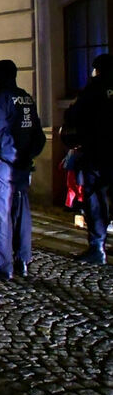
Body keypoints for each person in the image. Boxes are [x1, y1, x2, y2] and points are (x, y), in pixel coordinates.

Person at [0, 59, 47, 280]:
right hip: (23, 165)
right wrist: (26, 157)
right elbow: (38, 134)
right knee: (21, 214)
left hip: (5, 165)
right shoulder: (25, 96)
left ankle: (2, 266)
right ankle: (22, 261)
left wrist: (9, 157)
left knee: (0, 215)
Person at [64, 53, 113, 265]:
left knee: (95, 201)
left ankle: (97, 247)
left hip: (96, 153)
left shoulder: (94, 89)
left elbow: (74, 115)